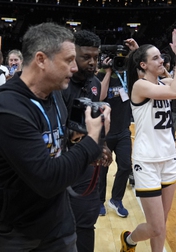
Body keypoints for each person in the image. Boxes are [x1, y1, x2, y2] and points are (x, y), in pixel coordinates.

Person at [0, 22, 111, 251]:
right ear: (41, 59)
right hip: (13, 233)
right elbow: (48, 179)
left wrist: (77, 144)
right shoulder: (8, 110)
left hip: (55, 222)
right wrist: (91, 142)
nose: (75, 68)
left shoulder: (54, 95)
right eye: (68, 60)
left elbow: (54, 143)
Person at [120, 24, 176, 252]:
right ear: (143, 65)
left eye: (162, 57)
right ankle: (129, 240)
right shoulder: (140, 86)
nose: (161, 61)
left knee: (162, 224)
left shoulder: (163, 83)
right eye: (156, 58)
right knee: (155, 227)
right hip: (146, 162)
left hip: (169, 159)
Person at [62, 29, 112, 252]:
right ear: (73, 55)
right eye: (86, 57)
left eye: (96, 57)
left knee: (86, 220)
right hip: (59, 162)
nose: (93, 62)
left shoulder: (94, 82)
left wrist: (101, 144)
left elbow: (93, 120)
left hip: (85, 162)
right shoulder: (59, 82)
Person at [96, 38, 139, 218]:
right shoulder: (100, 74)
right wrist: (108, 72)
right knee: (102, 169)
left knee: (125, 166)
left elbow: (139, 66)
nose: (118, 64)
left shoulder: (128, 75)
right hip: (105, 133)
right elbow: (101, 96)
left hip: (123, 131)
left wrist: (135, 51)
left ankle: (116, 199)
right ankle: (99, 201)